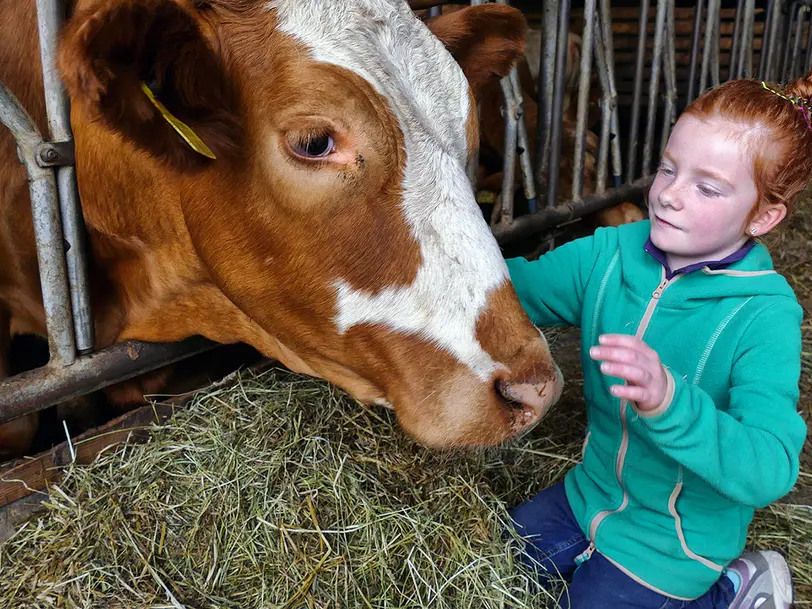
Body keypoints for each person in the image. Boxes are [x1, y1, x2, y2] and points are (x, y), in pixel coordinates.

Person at [504, 73, 811, 609]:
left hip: (676, 542)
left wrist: (672, 404)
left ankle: (730, 590)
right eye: (669, 167)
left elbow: (770, 467)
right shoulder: (611, 253)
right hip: (589, 495)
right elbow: (509, 291)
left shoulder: (764, 316)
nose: (669, 194)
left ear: (763, 216)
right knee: (500, 563)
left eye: (706, 187)